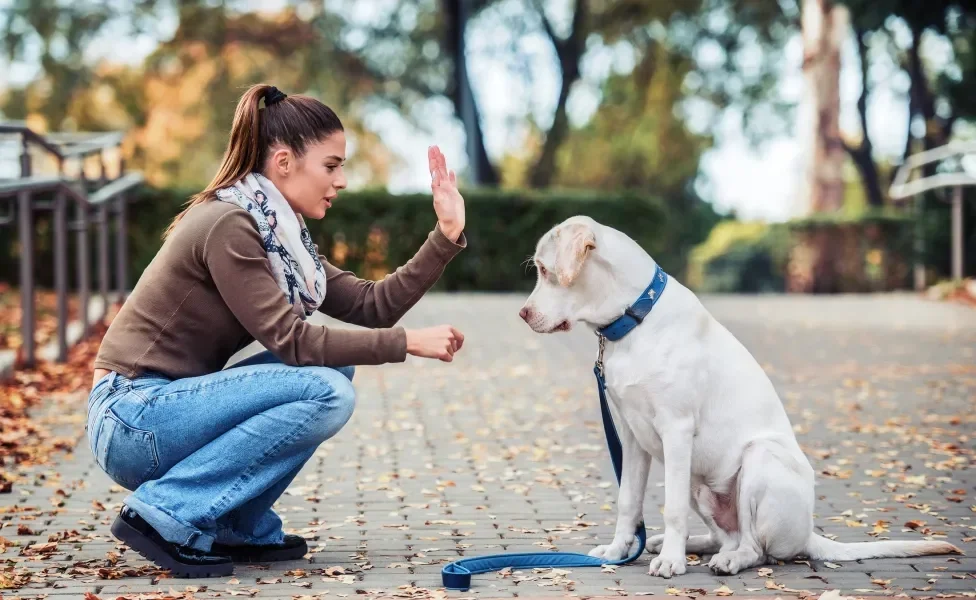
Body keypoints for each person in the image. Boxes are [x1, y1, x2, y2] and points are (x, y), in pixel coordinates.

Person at [86, 84, 467, 578]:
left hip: (162, 411)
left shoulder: (281, 244)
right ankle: (167, 510)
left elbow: (374, 306)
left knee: (336, 368)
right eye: (331, 166)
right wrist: (407, 344)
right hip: (130, 418)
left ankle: (235, 524)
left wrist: (446, 234)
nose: (343, 180)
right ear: (284, 162)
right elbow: (292, 341)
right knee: (327, 390)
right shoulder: (230, 225)